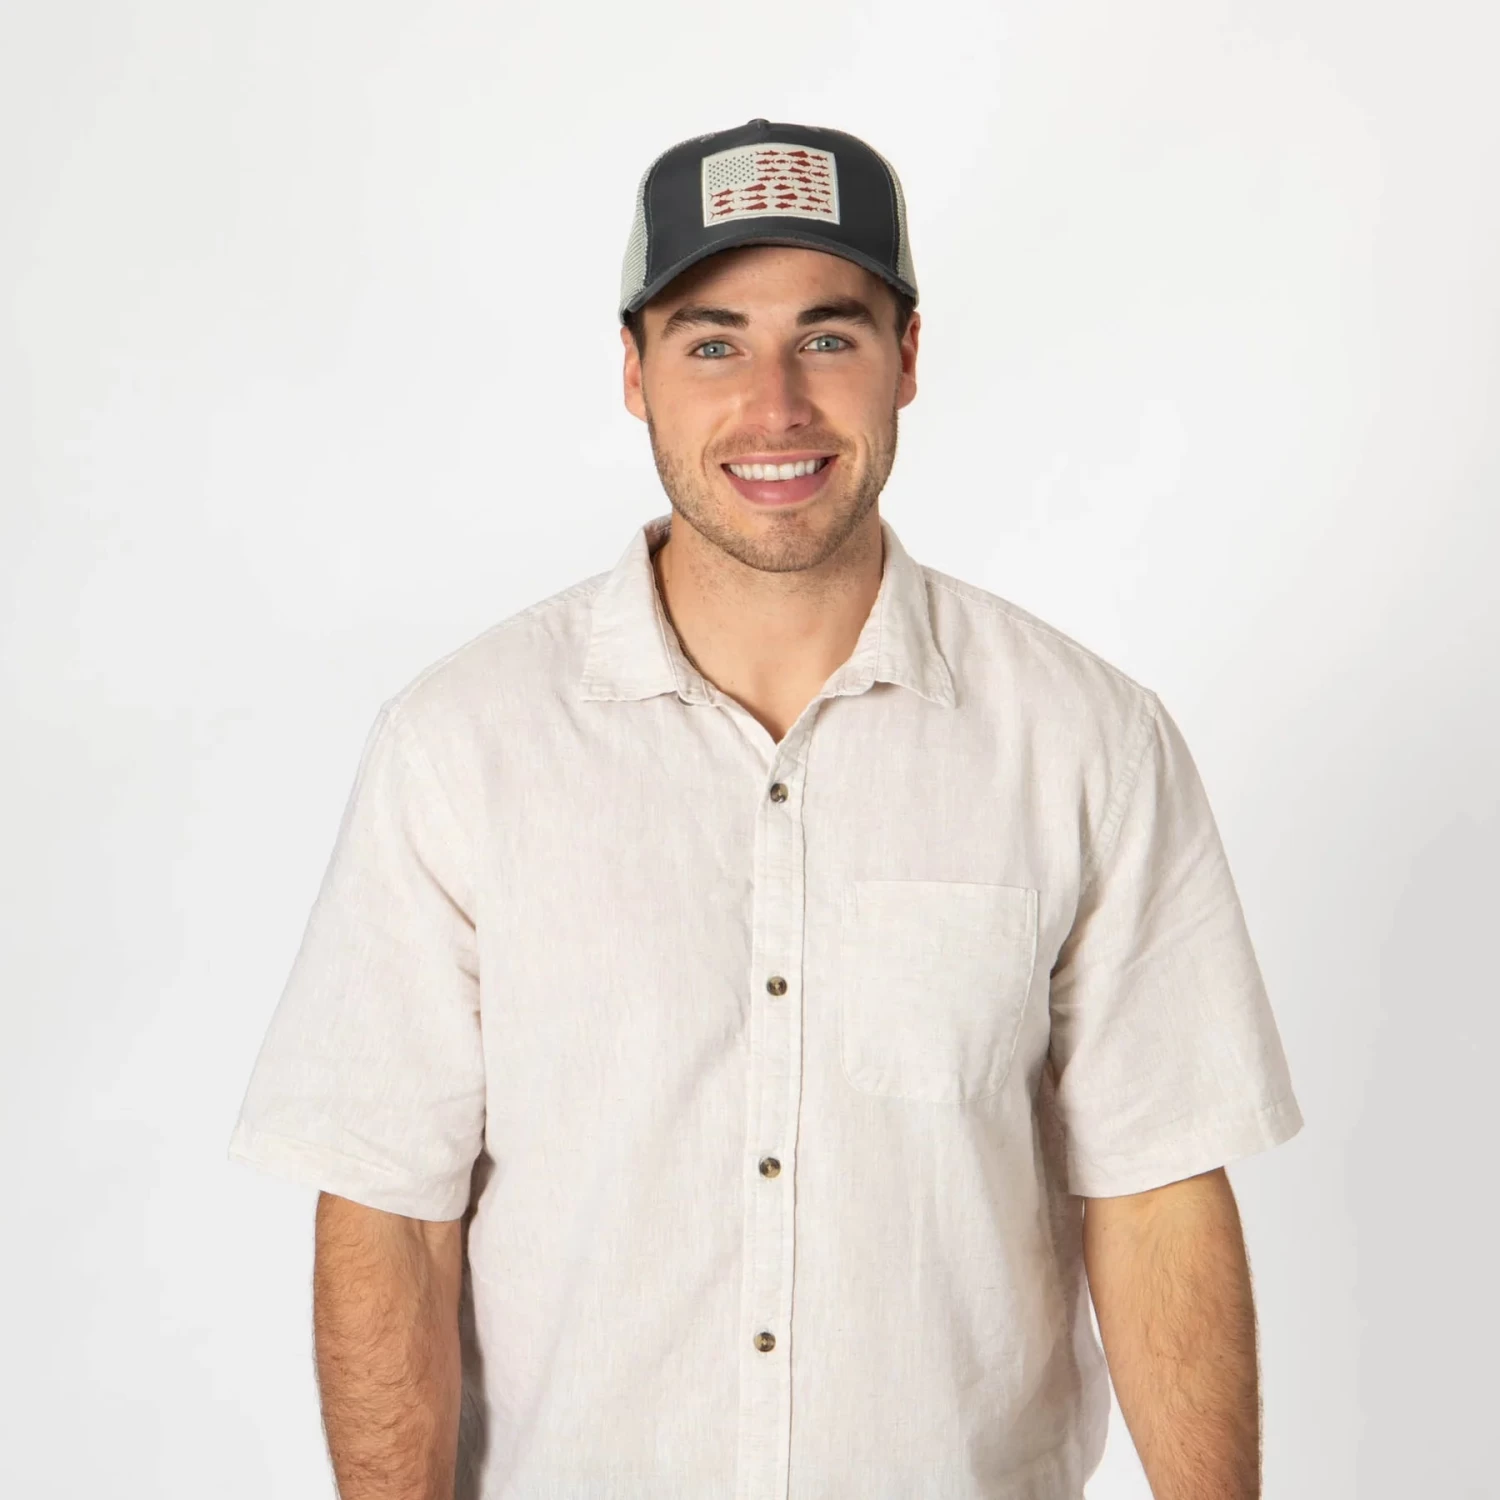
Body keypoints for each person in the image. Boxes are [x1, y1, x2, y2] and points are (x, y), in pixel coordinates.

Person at [230, 117, 1304, 1500]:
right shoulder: (462, 747)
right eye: (714, 343)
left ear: (907, 359)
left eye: (829, 337)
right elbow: (391, 1215)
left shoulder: (1087, 742)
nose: (776, 405)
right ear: (635, 372)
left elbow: (1157, 1196)